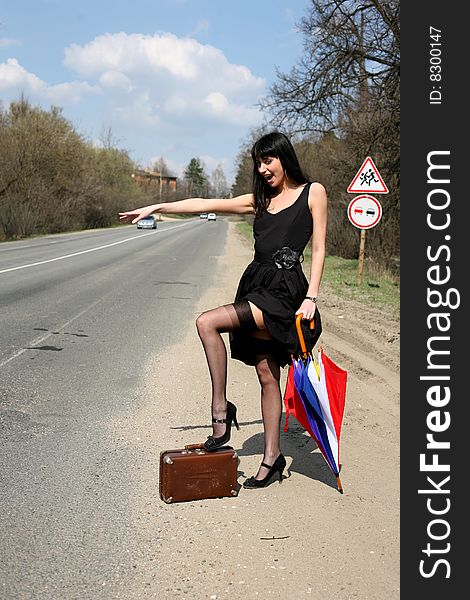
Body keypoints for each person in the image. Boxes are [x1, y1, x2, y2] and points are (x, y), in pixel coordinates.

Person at [119, 131, 327, 488]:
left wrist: (312, 297)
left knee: (207, 322)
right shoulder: (258, 201)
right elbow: (205, 202)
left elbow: (320, 249)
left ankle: (220, 411)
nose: (263, 169)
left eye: (268, 160)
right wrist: (157, 207)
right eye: (258, 163)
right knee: (266, 374)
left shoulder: (313, 192)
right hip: (256, 287)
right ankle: (272, 458)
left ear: (284, 157)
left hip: (285, 294)